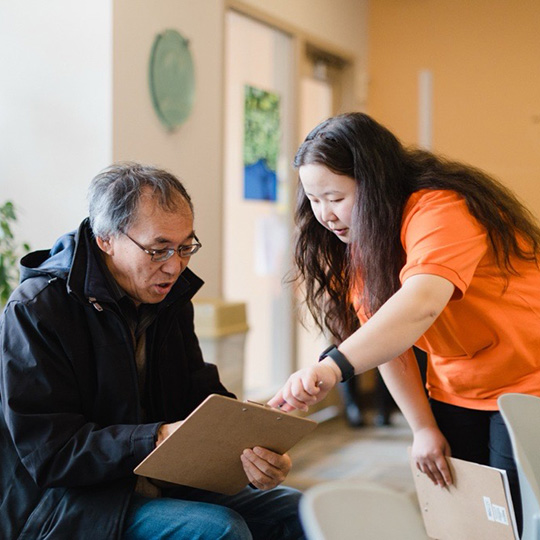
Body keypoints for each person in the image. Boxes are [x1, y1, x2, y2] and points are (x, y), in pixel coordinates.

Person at [0, 162, 304, 540]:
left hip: (163, 480)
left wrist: (250, 448)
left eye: (185, 247)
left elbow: (198, 396)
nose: (175, 266)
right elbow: (51, 454)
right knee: (220, 530)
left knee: (299, 512)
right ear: (106, 238)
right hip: (69, 503)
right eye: (158, 250)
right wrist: (157, 436)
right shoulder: (37, 309)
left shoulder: (168, 299)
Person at [269, 112, 540, 533]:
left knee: (517, 519)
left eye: (335, 197)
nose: (324, 214)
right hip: (458, 385)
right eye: (314, 200)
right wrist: (422, 428)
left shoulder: (441, 209)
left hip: (528, 379)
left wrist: (332, 366)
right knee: (469, 518)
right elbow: (387, 341)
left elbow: (420, 305)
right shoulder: (365, 242)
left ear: (375, 183)